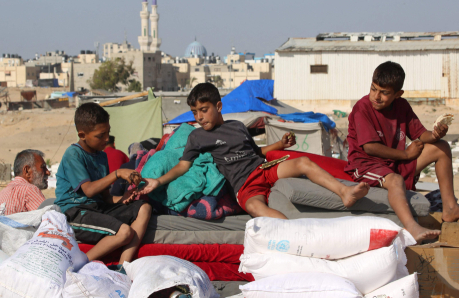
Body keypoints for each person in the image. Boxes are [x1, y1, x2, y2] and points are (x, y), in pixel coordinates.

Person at [134, 83, 369, 219]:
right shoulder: (197, 136)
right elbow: (182, 166)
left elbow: (255, 151)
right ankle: (296, 233)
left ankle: (344, 192)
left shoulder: (237, 127)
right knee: (257, 208)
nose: (199, 117)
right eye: (195, 112)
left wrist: (279, 146)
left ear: (218, 107)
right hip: (245, 184)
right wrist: (158, 181)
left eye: (203, 110)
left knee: (304, 162)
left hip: (262, 169)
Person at [345, 61, 459, 242]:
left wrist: (435, 134)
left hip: (393, 163)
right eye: (373, 89)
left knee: (441, 147)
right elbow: (369, 147)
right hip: (366, 165)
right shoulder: (362, 108)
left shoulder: (402, 106)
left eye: (384, 93)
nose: (376, 96)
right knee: (395, 179)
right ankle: (412, 227)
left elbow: (420, 134)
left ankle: (450, 207)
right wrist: (405, 155)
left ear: (398, 94)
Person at [55, 103, 152, 263]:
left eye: (108, 132)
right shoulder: (73, 154)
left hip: (97, 209)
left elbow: (106, 198)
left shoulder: (101, 156)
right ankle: (78, 265)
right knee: (124, 232)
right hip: (75, 212)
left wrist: (123, 198)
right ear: (82, 134)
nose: (107, 139)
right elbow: (89, 191)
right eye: (101, 135)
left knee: (144, 207)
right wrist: (118, 173)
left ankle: (123, 266)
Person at [0, 149, 49, 216]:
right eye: (42, 167)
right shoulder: (29, 190)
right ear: (27, 171)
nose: (48, 172)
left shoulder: (1, 194)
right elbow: (50, 219)